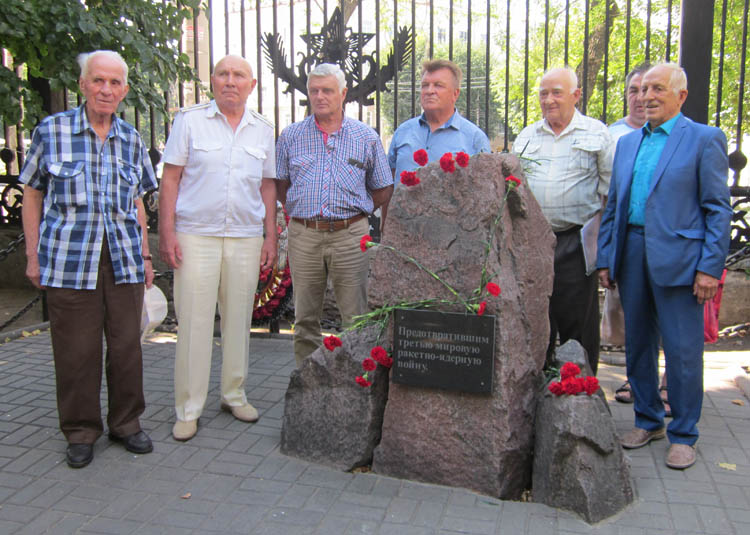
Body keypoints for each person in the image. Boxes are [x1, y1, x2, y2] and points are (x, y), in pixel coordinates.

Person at [20, 50, 156, 468]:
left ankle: (126, 424)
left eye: (115, 83)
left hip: (124, 259)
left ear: (124, 91)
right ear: (82, 84)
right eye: (98, 80)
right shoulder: (52, 131)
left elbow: (137, 203)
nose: (106, 89)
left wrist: (146, 255)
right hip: (68, 260)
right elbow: (32, 194)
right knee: (76, 351)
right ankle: (80, 431)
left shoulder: (131, 139)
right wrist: (32, 255)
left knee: (127, 347)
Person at [597, 63, 732, 469]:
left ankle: (684, 433)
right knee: (638, 344)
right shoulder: (627, 143)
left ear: (681, 96)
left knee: (682, 350)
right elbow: (614, 206)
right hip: (632, 254)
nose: (647, 96)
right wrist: (606, 257)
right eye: (642, 89)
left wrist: (710, 268)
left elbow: (717, 209)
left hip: (682, 261)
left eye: (658, 88)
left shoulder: (704, 139)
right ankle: (648, 421)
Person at [159, 55, 277, 442]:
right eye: (223, 74)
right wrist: (166, 232)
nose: (230, 81)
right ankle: (188, 409)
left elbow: (268, 186)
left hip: (245, 236)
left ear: (251, 85)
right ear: (212, 81)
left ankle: (233, 394)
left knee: (239, 319)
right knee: (194, 322)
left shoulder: (262, 129)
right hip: (196, 235)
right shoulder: (189, 121)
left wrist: (271, 236)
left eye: (238, 75)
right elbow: (171, 178)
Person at [275, 63, 393, 367]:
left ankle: (356, 381)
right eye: (314, 90)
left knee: (355, 316)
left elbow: (383, 187)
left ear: (343, 94)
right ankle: (307, 380)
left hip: (350, 235)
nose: (319, 96)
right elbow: (281, 185)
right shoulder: (290, 136)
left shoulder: (365, 137)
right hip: (305, 234)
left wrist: (358, 210)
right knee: (305, 318)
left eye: (327, 90)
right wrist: (304, 211)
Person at [511, 67, 614, 374]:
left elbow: (610, 194)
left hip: (576, 241)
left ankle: (580, 389)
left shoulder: (597, 134)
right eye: (543, 93)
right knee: (535, 320)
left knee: (577, 324)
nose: (549, 100)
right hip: (533, 242)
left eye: (557, 92)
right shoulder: (527, 136)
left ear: (576, 95)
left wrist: (604, 250)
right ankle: (537, 387)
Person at [388, 59, 491, 185]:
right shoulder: (403, 132)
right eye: (425, 85)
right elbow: (388, 183)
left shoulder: (474, 139)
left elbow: (484, 188)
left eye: (438, 85)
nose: (429, 91)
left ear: (455, 94)